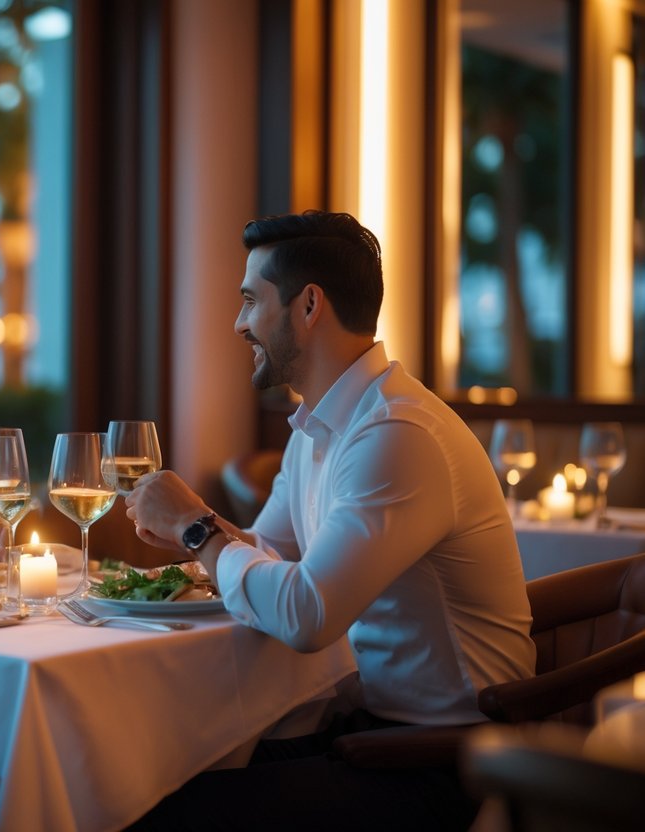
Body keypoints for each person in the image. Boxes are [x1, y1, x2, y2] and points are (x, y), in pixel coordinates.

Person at [125, 211, 535, 830]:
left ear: (308, 304)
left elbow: (308, 613)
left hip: (446, 757)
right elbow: (266, 547)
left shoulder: (398, 435)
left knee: (164, 811)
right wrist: (193, 531)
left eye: (249, 301)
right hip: (367, 728)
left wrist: (196, 529)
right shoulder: (319, 425)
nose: (238, 324)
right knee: (146, 778)